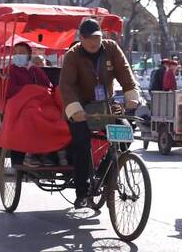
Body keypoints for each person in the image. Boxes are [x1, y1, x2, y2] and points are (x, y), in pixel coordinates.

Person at [59, 18, 139, 209]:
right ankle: (82, 192)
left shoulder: (111, 48)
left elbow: (125, 73)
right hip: (81, 108)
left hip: (105, 107)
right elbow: (66, 86)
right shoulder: (73, 55)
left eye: (98, 38)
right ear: (81, 39)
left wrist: (131, 96)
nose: (95, 42)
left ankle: (103, 176)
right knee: (82, 142)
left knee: (125, 136)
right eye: (90, 39)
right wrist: (75, 110)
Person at [5, 42, 58, 167]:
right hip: (20, 105)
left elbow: (48, 86)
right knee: (31, 114)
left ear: (29, 55)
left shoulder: (35, 70)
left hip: (40, 103)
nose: (18, 55)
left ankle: (49, 151)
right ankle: (30, 153)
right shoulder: (10, 70)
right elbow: (10, 90)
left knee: (54, 114)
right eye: (16, 53)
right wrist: (30, 90)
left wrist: (39, 92)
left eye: (22, 53)